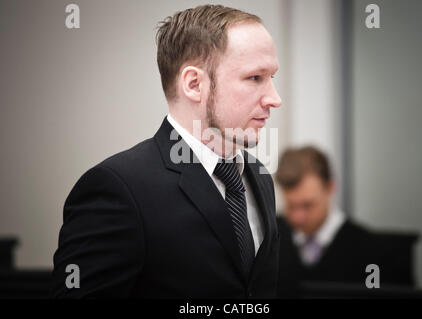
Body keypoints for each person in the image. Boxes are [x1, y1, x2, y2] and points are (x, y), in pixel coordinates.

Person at [52, 5, 282, 298]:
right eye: (254, 78)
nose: (274, 99)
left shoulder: (259, 177)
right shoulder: (119, 188)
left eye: (272, 77)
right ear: (194, 84)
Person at [275, 146, 417, 298]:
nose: (298, 217)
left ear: (330, 188)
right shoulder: (267, 240)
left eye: (308, 205)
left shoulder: (378, 255)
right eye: (291, 206)